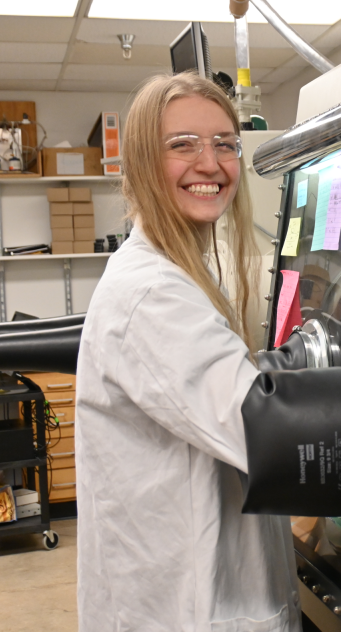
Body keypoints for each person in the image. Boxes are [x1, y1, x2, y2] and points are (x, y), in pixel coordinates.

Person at [75, 72, 301, 632]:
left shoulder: (178, 272)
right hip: (186, 605)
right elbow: (262, 432)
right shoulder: (154, 293)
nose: (210, 163)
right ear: (143, 164)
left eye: (225, 144)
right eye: (183, 145)